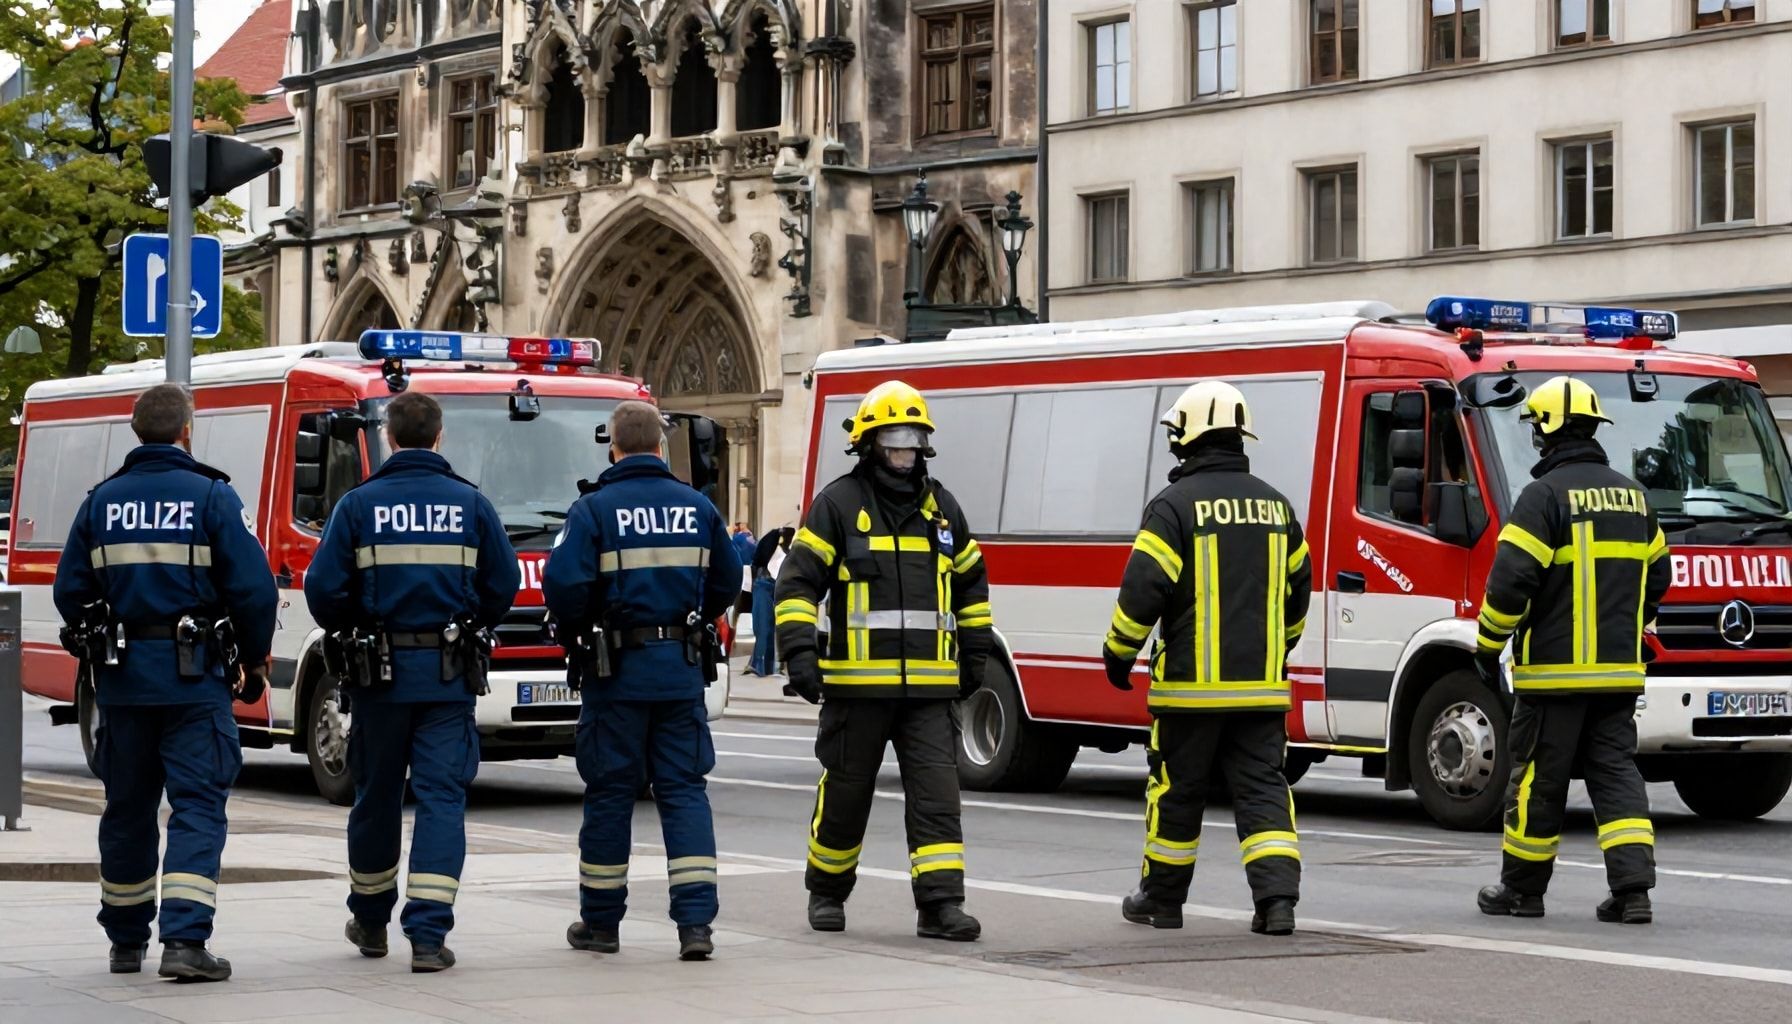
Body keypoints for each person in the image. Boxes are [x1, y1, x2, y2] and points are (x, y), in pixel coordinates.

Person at [53, 384, 277, 982]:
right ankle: (184, 941)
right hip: (194, 680)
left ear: (135, 430)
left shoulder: (100, 501)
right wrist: (254, 660)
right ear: (187, 430)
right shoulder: (211, 496)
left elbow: (69, 592)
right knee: (197, 806)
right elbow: (254, 590)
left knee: (126, 807)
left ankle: (125, 942)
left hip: (122, 684)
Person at [303, 391, 520, 973]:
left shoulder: (357, 505)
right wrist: (471, 620)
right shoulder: (471, 505)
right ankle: (428, 934)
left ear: (390, 438)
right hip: (447, 679)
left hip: (378, 680)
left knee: (376, 798)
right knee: (442, 800)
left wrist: (355, 625)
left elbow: (323, 589)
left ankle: (371, 921)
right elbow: (504, 583)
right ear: (440, 437)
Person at [774, 380, 993, 942]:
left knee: (938, 802)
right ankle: (827, 890)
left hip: (929, 693)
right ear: (870, 444)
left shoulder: (943, 510)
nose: (904, 451)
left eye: (913, 440)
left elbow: (971, 586)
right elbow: (797, 585)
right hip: (856, 691)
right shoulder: (838, 506)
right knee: (847, 795)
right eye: (894, 440)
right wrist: (800, 654)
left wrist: (975, 654)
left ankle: (941, 905)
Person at [1101, 381, 1311, 936]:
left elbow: (1144, 590)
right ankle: (1277, 903)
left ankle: (1163, 902)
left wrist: (1118, 653)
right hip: (1262, 691)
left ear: (1190, 436)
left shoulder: (1172, 507)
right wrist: (1278, 650)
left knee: (1177, 794)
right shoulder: (1277, 505)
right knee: (1264, 792)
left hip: (1190, 694)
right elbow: (1297, 594)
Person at [543, 400, 742, 962]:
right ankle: (696, 926)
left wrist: (584, 629)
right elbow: (728, 580)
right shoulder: (698, 507)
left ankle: (601, 925)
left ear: (614, 446)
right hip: (680, 673)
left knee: (609, 795)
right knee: (683, 793)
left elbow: (562, 587)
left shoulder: (594, 510)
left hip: (616, 675)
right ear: (661, 445)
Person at [1473, 375, 1671, 924]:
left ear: (1550, 431)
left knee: (1538, 781)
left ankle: (1523, 891)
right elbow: (1659, 575)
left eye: (1537, 426)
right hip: (1617, 677)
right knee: (1616, 776)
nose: (1535, 436)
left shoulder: (1542, 497)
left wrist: (1488, 644)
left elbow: (1511, 581)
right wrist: (1630, 629)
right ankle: (1633, 892)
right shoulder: (1634, 498)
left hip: (1554, 680)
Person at [747, 526, 793, 677]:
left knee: (766, 627)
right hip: (767, 583)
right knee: (765, 627)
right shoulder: (776, 541)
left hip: (772, 584)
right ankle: (762, 664)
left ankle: (763, 664)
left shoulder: (777, 542)